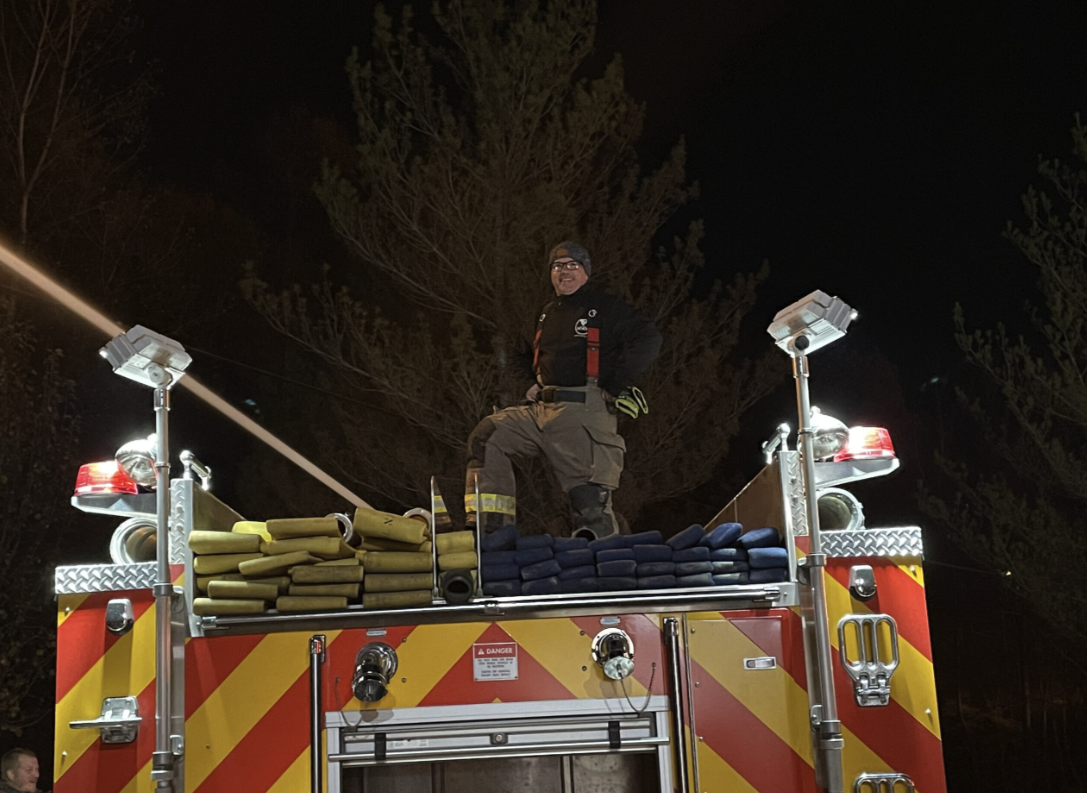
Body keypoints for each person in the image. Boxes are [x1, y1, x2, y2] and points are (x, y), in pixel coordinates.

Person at [465, 241, 662, 539]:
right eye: (558, 266)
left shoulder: (604, 307)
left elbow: (649, 338)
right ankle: (491, 534)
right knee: (488, 436)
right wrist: (527, 383)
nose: (564, 271)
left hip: (583, 411)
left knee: (588, 507)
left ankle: (608, 568)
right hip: (541, 411)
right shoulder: (544, 313)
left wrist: (618, 381)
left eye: (573, 265)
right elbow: (519, 352)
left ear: (586, 272)